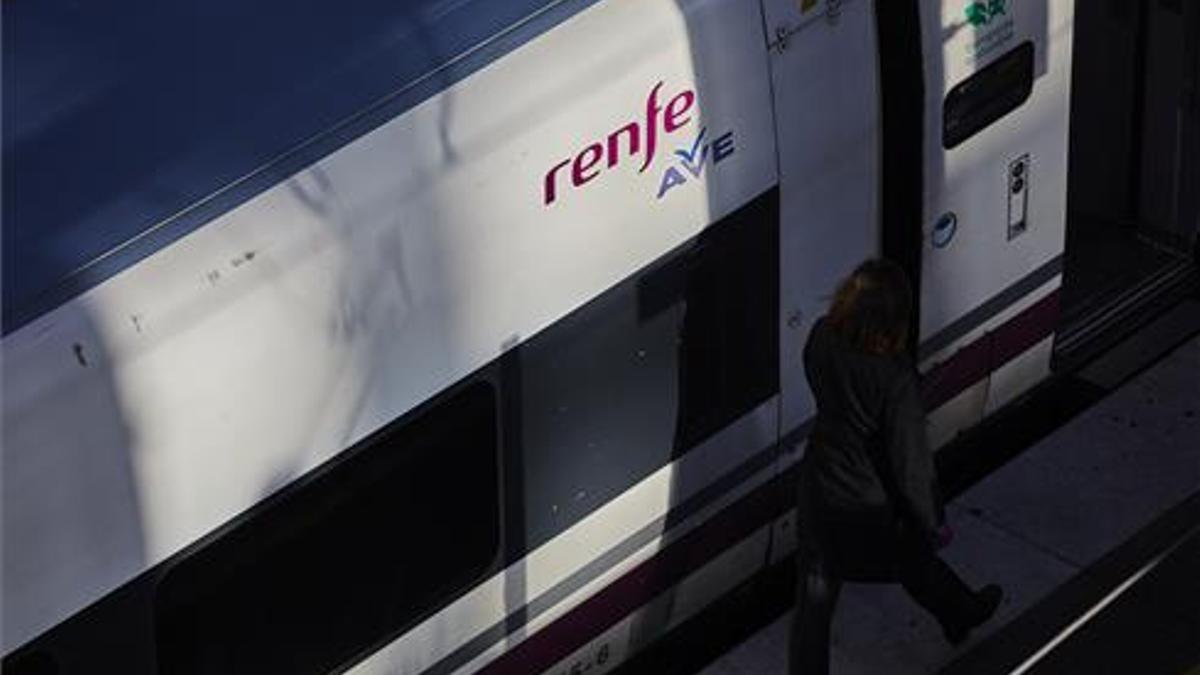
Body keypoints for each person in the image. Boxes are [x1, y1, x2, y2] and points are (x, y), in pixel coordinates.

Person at [789, 259, 1002, 675]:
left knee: (814, 596)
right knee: (915, 564)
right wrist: (930, 518)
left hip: (820, 486)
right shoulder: (895, 379)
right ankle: (962, 613)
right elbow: (909, 463)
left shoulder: (821, 337)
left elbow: (816, 381)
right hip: (870, 504)